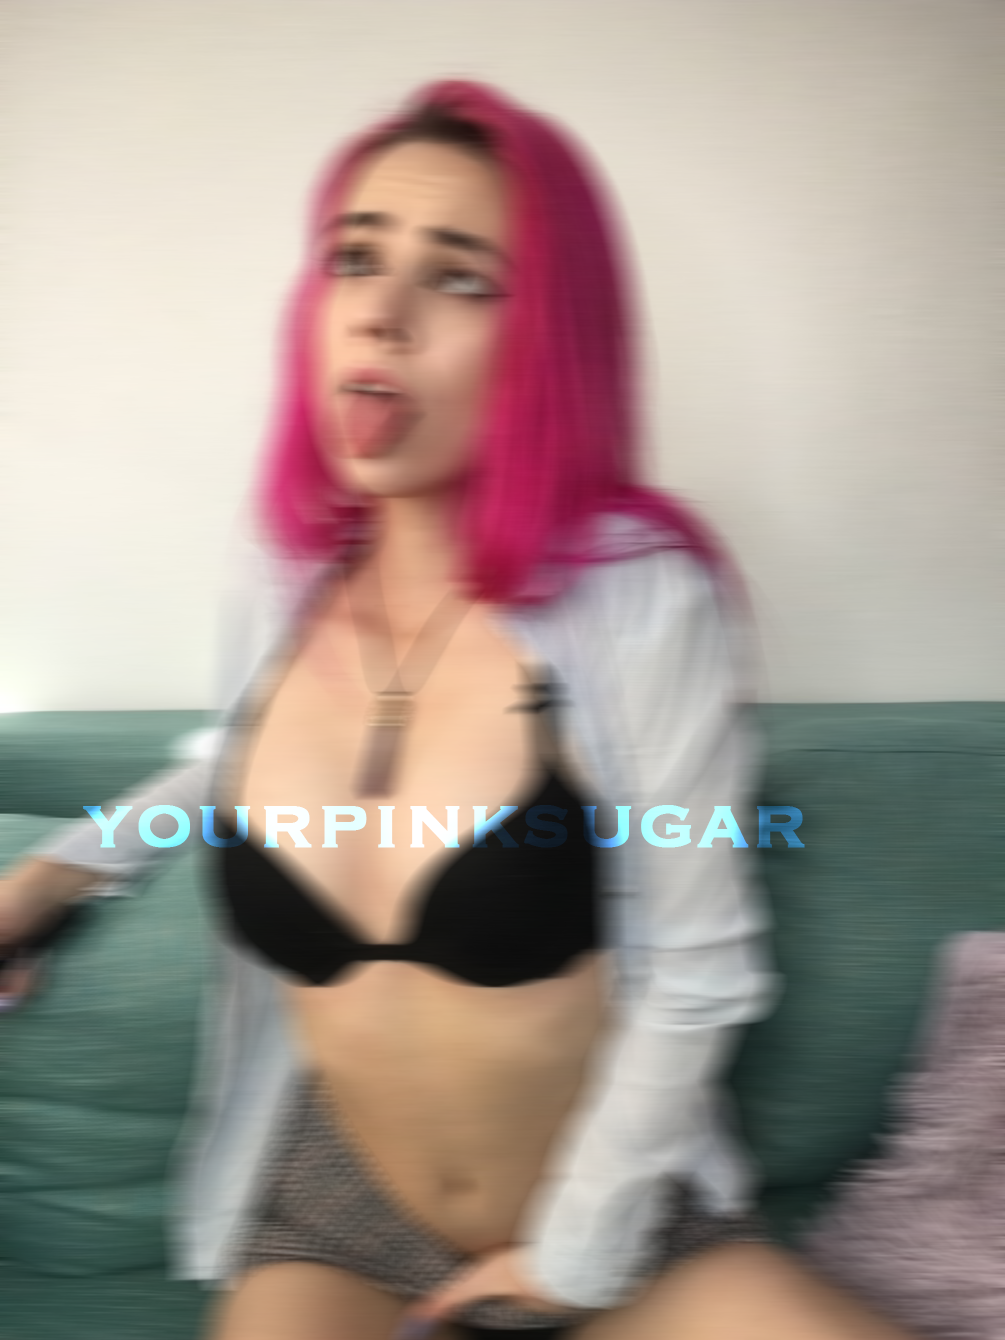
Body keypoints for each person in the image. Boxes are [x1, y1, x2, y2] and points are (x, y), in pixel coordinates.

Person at [0, 80, 918, 1340]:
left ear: (547, 341)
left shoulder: (638, 597)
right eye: (355, 259)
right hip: (338, 1220)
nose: (382, 312)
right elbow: (233, 768)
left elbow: (702, 974)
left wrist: (576, 1256)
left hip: (615, 1215)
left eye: (460, 277)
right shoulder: (281, 583)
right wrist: (48, 877)